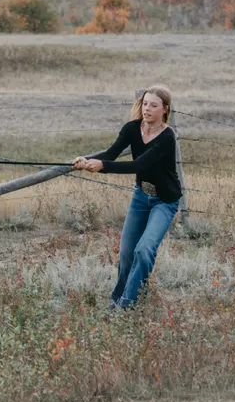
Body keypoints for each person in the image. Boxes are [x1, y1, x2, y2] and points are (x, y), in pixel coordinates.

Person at [72, 85, 181, 309]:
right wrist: (86, 161)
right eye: (145, 104)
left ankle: (125, 306)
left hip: (165, 201)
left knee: (144, 250)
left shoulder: (167, 137)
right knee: (126, 254)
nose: (147, 109)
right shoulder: (131, 129)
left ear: (165, 109)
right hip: (141, 196)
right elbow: (110, 154)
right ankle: (120, 298)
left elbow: (139, 164)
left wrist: (103, 166)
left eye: (153, 105)